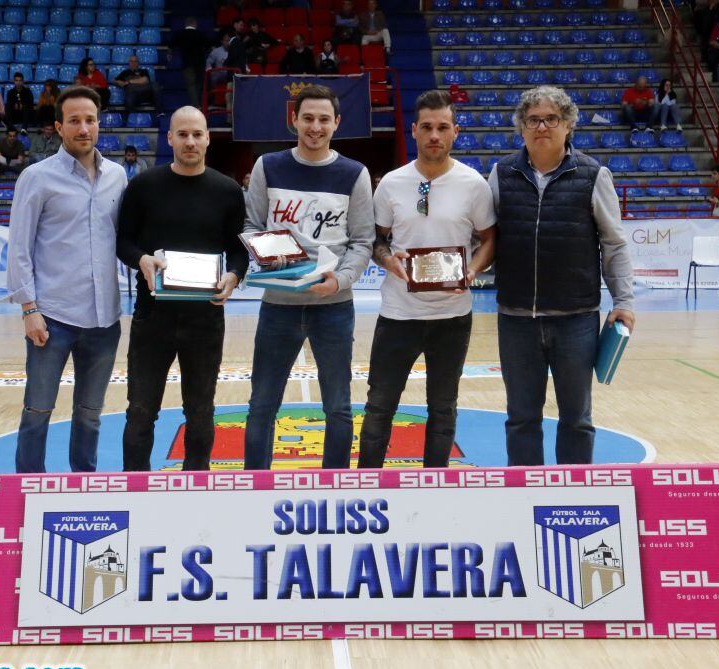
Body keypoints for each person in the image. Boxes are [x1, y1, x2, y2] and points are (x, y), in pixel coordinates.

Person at [487, 85, 635, 466]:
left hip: (576, 320)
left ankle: (575, 492)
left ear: (568, 125)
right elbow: (484, 239)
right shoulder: (500, 174)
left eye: (551, 119)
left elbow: (614, 244)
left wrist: (624, 301)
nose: (541, 127)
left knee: (577, 419)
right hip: (516, 318)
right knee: (521, 419)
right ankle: (526, 493)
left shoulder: (594, 174)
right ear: (521, 127)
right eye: (533, 120)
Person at [359, 89, 496, 468]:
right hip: (398, 314)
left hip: (452, 316)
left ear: (455, 131)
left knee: (443, 407)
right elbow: (376, 240)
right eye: (427, 127)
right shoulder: (391, 183)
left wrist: (472, 270)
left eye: (443, 127)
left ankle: (436, 484)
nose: (435, 135)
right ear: (414, 130)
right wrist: (388, 260)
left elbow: (489, 239)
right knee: (379, 405)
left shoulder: (474, 184)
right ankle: (368, 482)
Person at [242, 84, 374, 470]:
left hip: (333, 306)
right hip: (278, 305)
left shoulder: (354, 174)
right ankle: (253, 488)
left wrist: (341, 279)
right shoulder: (268, 166)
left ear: (337, 123)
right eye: (308, 118)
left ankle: (336, 483)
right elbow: (251, 226)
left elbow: (362, 241)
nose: (315, 126)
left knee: (338, 406)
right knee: (262, 404)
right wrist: (269, 256)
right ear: (294, 120)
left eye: (323, 119)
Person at [116, 107, 247, 471]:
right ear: (170, 138)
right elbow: (123, 242)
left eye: (197, 134)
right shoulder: (143, 186)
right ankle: (135, 488)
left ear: (208, 138)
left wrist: (234, 276)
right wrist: (141, 259)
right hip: (152, 317)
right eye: (183, 134)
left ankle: (197, 488)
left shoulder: (228, 191)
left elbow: (238, 250)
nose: (191, 141)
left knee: (201, 411)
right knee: (140, 410)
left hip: (205, 319)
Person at [5, 85, 127, 474]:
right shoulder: (36, 177)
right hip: (52, 317)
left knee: (91, 413)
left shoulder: (118, 176)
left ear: (99, 124)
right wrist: (29, 309)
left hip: (104, 319)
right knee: (38, 409)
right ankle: (28, 486)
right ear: (59, 127)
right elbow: (19, 247)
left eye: (90, 120)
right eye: (74, 121)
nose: (83, 128)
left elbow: (127, 237)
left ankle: (84, 484)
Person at [170, 16, 209, 108]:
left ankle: (195, 105)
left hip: (187, 63)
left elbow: (171, 45)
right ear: (195, 24)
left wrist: (169, 54)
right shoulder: (200, 34)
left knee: (190, 84)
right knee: (199, 84)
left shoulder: (180, 34)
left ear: (186, 24)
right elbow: (208, 46)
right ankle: (200, 104)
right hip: (200, 63)